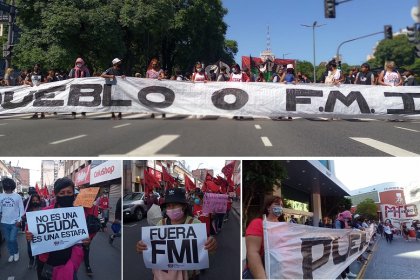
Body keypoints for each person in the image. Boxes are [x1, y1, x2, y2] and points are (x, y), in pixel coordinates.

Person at [136, 188, 217, 280]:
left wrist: (211, 245)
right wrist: (141, 247)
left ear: (184, 206)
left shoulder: (195, 224)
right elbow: (152, 248)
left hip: (190, 277)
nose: (171, 209)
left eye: (174, 205)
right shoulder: (160, 224)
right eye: (168, 206)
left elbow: (206, 250)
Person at [26, 178, 90, 280]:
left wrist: (86, 242)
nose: (66, 195)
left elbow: (82, 238)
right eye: (62, 193)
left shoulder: (80, 214)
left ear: (74, 194)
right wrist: (30, 235)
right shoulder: (45, 213)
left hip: (70, 263)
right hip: (47, 263)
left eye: (69, 192)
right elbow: (31, 230)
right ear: (56, 195)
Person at [244, 195, 284, 279]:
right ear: (268, 208)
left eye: (281, 205)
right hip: (259, 273)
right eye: (277, 204)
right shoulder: (257, 224)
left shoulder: (283, 227)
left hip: (277, 272)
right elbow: (253, 253)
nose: (280, 207)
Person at [0, 178, 24, 263]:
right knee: (7, 240)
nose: (7, 188)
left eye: (8, 186)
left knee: (12, 239)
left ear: (12, 187)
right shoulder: (1, 196)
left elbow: (22, 209)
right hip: (4, 222)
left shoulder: (17, 196)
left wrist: (19, 220)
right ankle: (11, 254)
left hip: (14, 222)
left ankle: (16, 252)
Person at [335, 210, 357, 279]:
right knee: (341, 261)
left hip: (345, 242)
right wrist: (346, 229)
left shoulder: (344, 222)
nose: (348, 219)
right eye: (347, 218)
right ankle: (343, 276)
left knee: (347, 259)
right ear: (344, 216)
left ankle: (348, 272)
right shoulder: (338, 222)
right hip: (340, 244)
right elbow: (337, 232)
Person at [24, 193, 42, 268]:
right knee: (30, 248)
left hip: (40, 231)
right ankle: (31, 260)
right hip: (30, 231)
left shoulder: (43, 210)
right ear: (31, 201)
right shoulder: (27, 210)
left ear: (39, 201)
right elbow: (23, 218)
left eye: (36, 200)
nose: (35, 201)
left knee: (38, 247)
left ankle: (38, 260)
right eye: (33, 200)